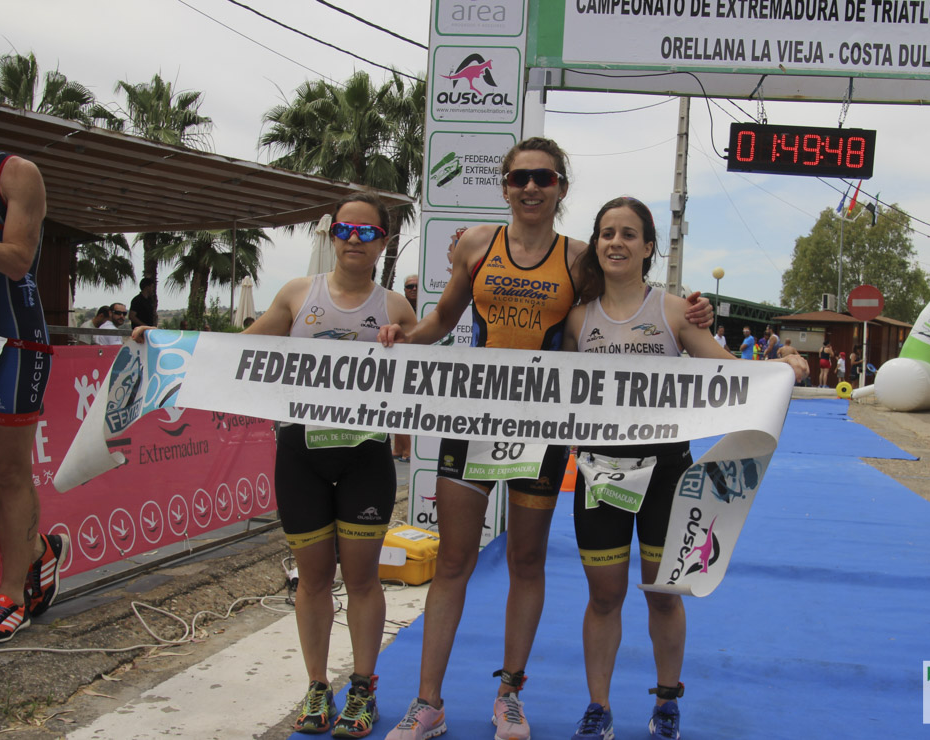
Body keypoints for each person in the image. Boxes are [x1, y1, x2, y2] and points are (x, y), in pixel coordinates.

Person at [378, 138, 713, 740]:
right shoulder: (476, 246)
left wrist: (698, 313)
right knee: (453, 560)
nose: (531, 187)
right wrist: (405, 338)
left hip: (542, 427)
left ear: (561, 187)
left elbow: (628, 304)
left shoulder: (584, 258)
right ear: (505, 185)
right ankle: (427, 702)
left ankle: (510, 695)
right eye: (520, 177)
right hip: (475, 419)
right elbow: (444, 320)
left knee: (525, 559)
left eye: (544, 177)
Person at [136, 193, 417, 735]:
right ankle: (316, 688)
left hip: (364, 457)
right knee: (312, 580)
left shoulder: (395, 308)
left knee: (361, 579)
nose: (354, 241)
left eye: (367, 233)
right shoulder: (297, 294)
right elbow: (235, 350)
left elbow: (428, 372)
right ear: (333, 235)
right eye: (345, 231)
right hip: (299, 454)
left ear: (383, 242)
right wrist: (166, 342)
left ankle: (361, 689)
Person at [561, 197, 805, 740]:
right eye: (606, 233)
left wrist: (780, 365)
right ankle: (597, 707)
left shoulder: (674, 311)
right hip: (600, 475)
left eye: (628, 234)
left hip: (668, 474)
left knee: (663, 593)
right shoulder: (578, 317)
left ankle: (667, 702)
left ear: (650, 247)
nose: (616, 243)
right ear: (595, 244)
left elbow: (730, 369)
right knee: (603, 597)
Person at [0, 78, 68, 646]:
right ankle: (38, 548)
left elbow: (17, 260)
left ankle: (12, 592)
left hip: (10, 339)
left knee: (11, 470)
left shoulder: (14, 172)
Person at [391, 274, 419, 463]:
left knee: (409, 407)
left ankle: (407, 449)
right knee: (396, 406)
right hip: (399, 363)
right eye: (410, 286)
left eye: (417, 286)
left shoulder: (429, 307)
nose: (414, 289)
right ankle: (400, 448)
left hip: (417, 363)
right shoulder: (398, 306)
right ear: (405, 289)